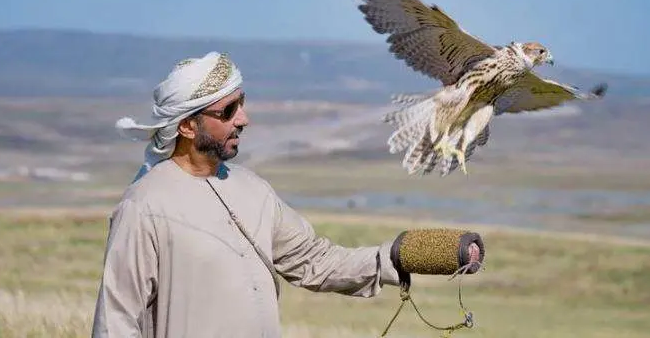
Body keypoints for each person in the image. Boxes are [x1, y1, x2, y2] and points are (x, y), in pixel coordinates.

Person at [91, 51, 485, 338]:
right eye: (228, 111)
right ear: (188, 127)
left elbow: (315, 260)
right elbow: (115, 322)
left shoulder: (252, 190)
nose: (243, 119)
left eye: (241, 104)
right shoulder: (145, 206)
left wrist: (397, 255)